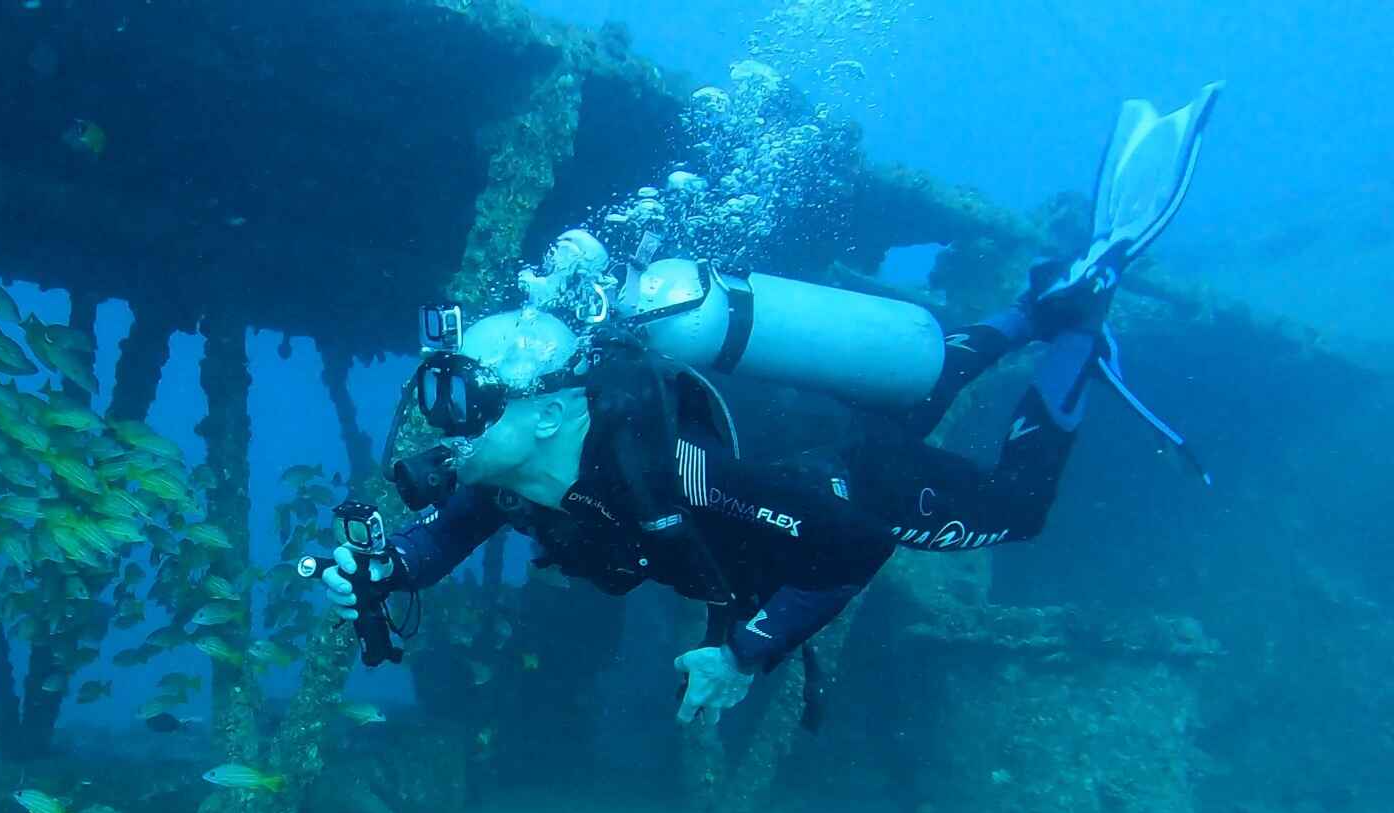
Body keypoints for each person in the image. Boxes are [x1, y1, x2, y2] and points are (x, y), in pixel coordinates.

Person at [323, 85, 1223, 726]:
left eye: (473, 411)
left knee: (1014, 510)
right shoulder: (509, 473)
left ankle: (1077, 326)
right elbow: (448, 528)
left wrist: (743, 651)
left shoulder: (674, 468)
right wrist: (388, 569)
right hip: (796, 433)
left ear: (552, 414)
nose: (449, 436)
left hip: (846, 477)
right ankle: (1035, 305)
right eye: (446, 408)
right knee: (928, 378)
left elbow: (855, 547)